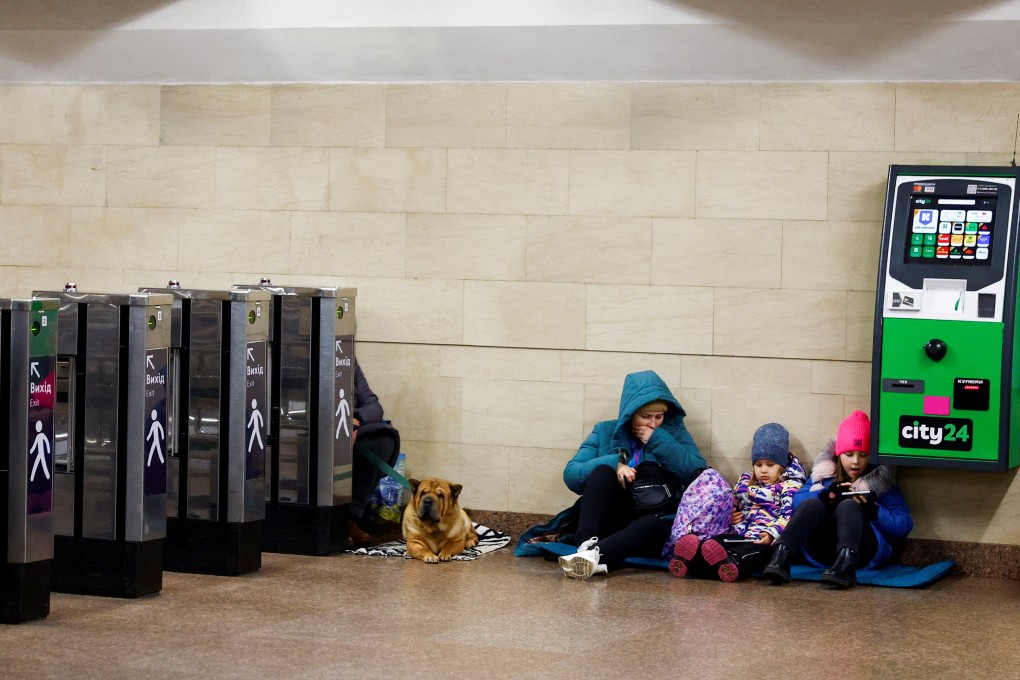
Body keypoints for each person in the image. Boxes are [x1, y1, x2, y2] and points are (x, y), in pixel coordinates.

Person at [555, 370, 706, 580]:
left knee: (651, 526)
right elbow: (572, 475)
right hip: (615, 516)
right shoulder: (605, 431)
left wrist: (658, 440)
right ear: (630, 413)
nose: (653, 424)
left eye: (659, 417)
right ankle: (587, 545)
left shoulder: (674, 433)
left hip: (654, 519)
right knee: (601, 472)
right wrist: (615, 464)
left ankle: (591, 556)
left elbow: (698, 475)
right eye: (645, 416)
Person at [761, 410, 913, 588]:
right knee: (812, 503)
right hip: (822, 550)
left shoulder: (882, 483)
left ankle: (845, 565)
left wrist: (873, 510)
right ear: (838, 454)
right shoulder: (823, 475)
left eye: (863, 455)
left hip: (862, 552)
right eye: (849, 454)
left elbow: (903, 525)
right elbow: (798, 501)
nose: (855, 462)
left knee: (848, 505)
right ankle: (781, 556)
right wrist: (826, 496)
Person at [669, 423, 806, 581]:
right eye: (758, 464)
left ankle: (732, 563)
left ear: (782, 466)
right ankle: (691, 558)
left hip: (762, 537)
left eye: (770, 465)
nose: (763, 470)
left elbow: (788, 515)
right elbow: (733, 502)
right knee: (715, 543)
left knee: (757, 552)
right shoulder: (746, 482)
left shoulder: (789, 486)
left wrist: (771, 534)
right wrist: (732, 513)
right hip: (740, 531)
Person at [346, 360, 401, 547]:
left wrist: (355, 420)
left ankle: (350, 519)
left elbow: (374, 407)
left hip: (352, 429)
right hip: (319, 429)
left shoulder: (347, 358)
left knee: (383, 441)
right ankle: (329, 520)